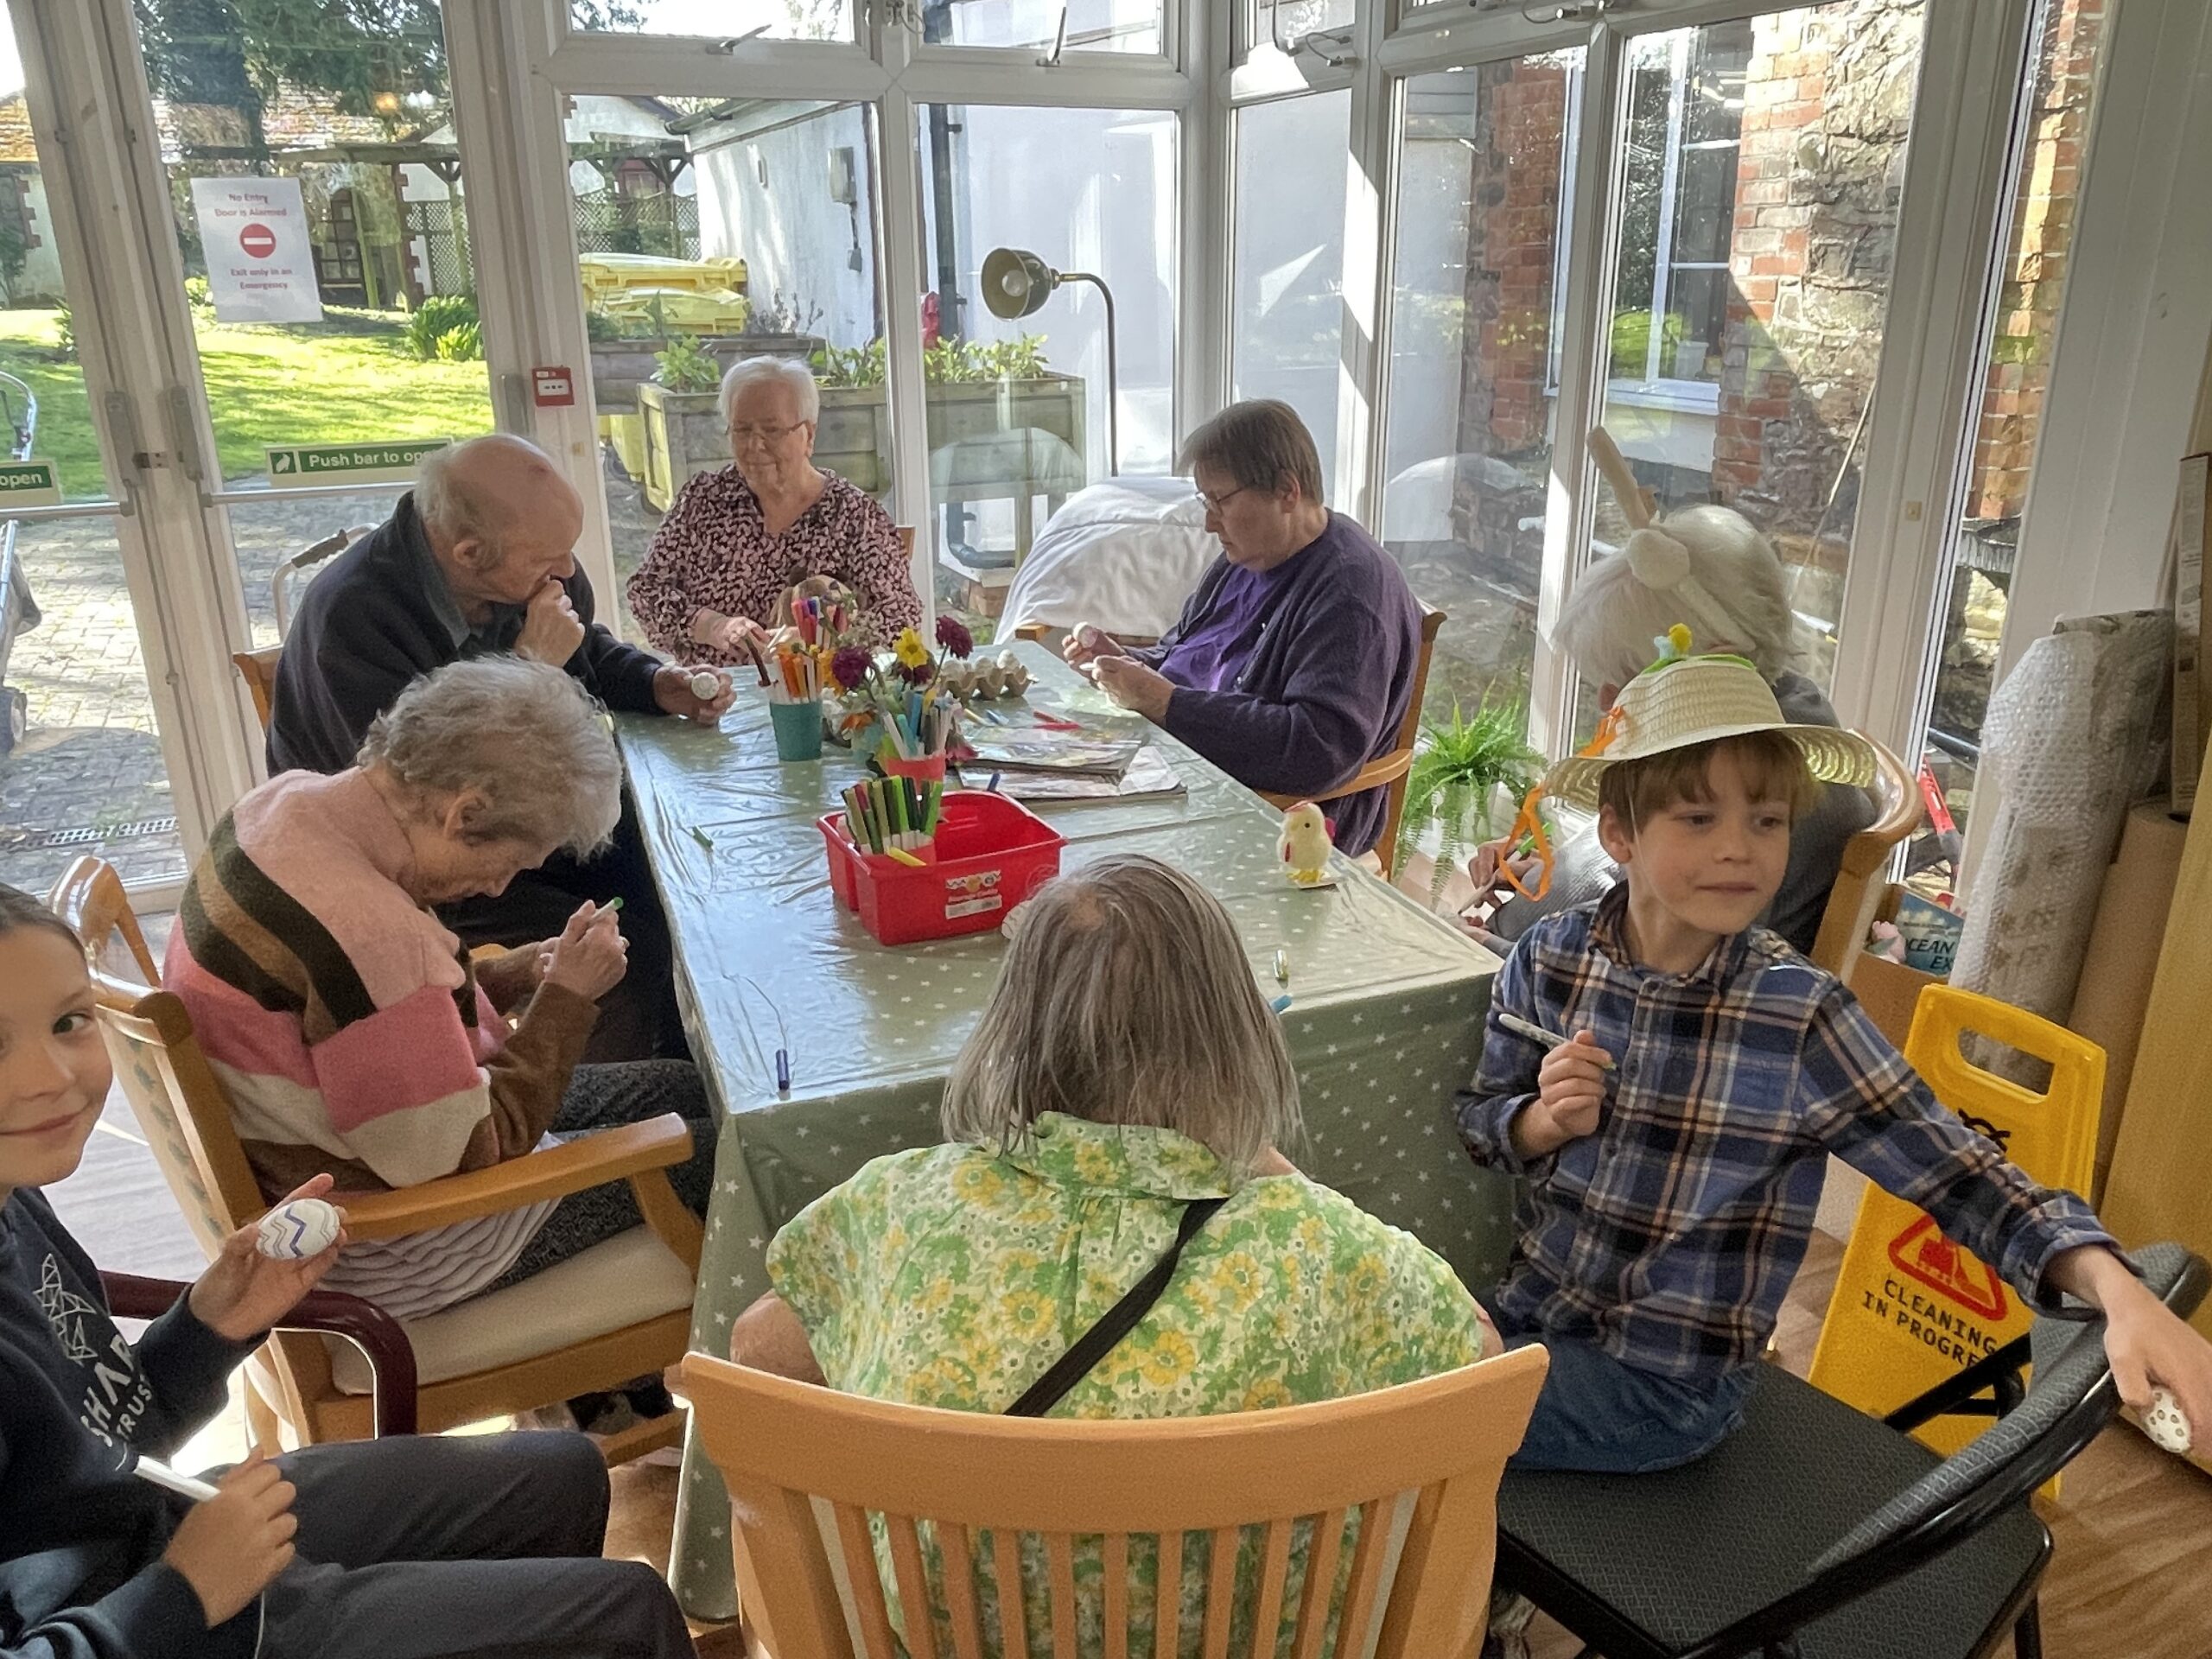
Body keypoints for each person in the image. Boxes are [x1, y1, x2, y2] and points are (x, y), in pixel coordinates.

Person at [1455, 650, 2212, 1483]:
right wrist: (1541, 1121)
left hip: (1662, 1390)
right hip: (1536, 1320)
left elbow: (1966, 1180)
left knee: (1389, 1420)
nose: (1739, 850)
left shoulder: (1797, 1017)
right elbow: (1485, 1120)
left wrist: (2122, 1290)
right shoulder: (1551, 957)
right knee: (1373, 1346)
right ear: (1619, 833)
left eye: (1768, 821)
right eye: (1700, 820)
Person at [728, 855, 1491, 1655]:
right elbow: (1476, 1350)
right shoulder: (1317, 1248)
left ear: (1015, 1032)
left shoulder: (901, 1207)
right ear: (1235, 1038)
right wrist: (1257, 1154)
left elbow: (755, 1350)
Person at [0, 883, 697, 1659]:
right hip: (163, 1619)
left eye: (69, 1023)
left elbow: (104, 1441)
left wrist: (209, 1326)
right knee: (624, 1612)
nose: (53, 1076)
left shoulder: (16, 1201)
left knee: (565, 1471)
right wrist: (185, 1593)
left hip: (161, 1530)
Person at [169, 658, 715, 1427]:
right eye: (508, 863)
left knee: (685, 1088)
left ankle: (625, 1393)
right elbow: (465, 1152)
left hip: (332, 1160)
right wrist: (564, 1004)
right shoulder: (371, 932)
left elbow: (364, 1033)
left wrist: (520, 972)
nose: (497, 889)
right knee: (726, 1151)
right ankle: (733, 1407)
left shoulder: (282, 809)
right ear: (464, 814)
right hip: (407, 1246)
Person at [268, 434, 730, 1061]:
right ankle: (612, 1122)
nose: (567, 570)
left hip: (520, 823)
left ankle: (692, 1077)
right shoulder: (353, 617)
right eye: (550, 557)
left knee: (680, 879)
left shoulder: (512, 576)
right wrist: (530, 666)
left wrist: (652, 681)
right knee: (627, 955)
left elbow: (584, 645)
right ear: (468, 552)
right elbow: (419, 795)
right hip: (432, 864)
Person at [1467, 506, 1873, 953]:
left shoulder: (1773, 781)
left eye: (1628, 679)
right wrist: (1553, 871)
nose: (1608, 704)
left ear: (1715, 656)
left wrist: (1494, 952)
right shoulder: (1772, 710)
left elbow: (1652, 974)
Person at [1063, 401, 1421, 859]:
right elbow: (1186, 656)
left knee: (1091, 858)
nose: (1211, 522)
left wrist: (1163, 701)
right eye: (1205, 501)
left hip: (1286, 819)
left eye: (1220, 501)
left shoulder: (1352, 591)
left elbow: (1318, 750)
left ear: (1287, 492)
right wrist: (1126, 666)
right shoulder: (1250, 556)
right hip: (1191, 772)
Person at [626, 356, 921, 658]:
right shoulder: (702, 500)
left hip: (817, 693)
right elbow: (645, 592)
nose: (754, 445)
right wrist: (713, 626)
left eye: (772, 430)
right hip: (714, 695)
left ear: (809, 434)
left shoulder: (853, 516)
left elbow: (901, 616)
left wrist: (822, 637)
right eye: (742, 430)